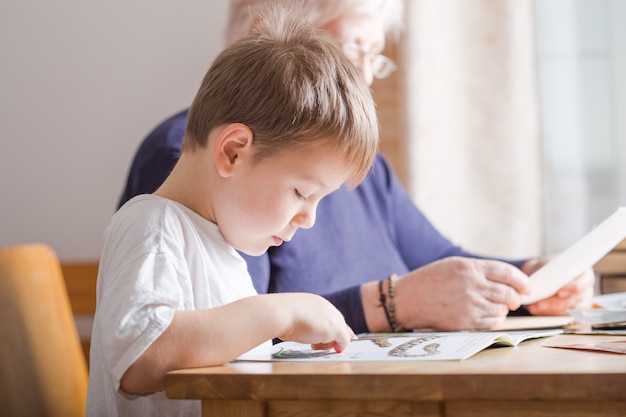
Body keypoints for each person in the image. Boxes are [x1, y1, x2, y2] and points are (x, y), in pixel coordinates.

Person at [117, 0, 594, 335]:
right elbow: (225, 333)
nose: (363, 78)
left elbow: (437, 260)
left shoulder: (354, 172)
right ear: (268, 30)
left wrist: (531, 284)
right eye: (352, 51)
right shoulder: (189, 165)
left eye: (373, 58)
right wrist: (390, 302)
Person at [87, 5, 380, 416]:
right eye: (301, 192)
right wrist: (282, 311)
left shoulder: (225, 252)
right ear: (233, 151)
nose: (309, 218)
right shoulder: (153, 226)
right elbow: (141, 356)